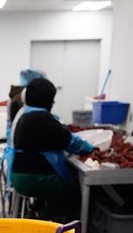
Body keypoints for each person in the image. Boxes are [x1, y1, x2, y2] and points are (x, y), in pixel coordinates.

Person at [7, 77, 95, 223]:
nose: (53, 103)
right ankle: (49, 220)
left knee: (51, 191)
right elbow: (69, 142)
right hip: (34, 178)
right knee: (72, 194)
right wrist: (89, 148)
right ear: (46, 99)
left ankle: (38, 211)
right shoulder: (43, 118)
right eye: (52, 99)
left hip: (17, 175)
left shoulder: (24, 114)